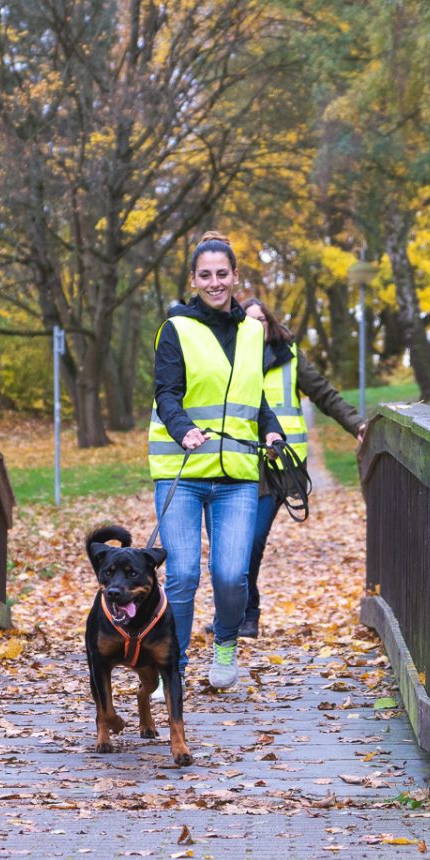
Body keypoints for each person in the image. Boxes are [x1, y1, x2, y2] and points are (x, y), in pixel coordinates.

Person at [149, 233, 285, 691]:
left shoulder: (252, 330)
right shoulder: (176, 328)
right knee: (183, 575)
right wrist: (182, 427)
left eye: (221, 274)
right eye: (204, 275)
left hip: (238, 476)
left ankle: (226, 642)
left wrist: (271, 429)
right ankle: (177, 666)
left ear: (235, 277)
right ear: (194, 279)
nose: (214, 282)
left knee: (231, 575)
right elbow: (165, 392)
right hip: (181, 472)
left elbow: (254, 393)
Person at [237, 296, 366, 637]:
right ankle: (234, 616)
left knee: (251, 541)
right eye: (247, 322)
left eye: (260, 321)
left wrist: (356, 424)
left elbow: (325, 394)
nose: (255, 328)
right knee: (233, 545)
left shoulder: (290, 357)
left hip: (279, 468)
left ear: (270, 323)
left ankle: (249, 616)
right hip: (237, 464)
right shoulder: (229, 358)